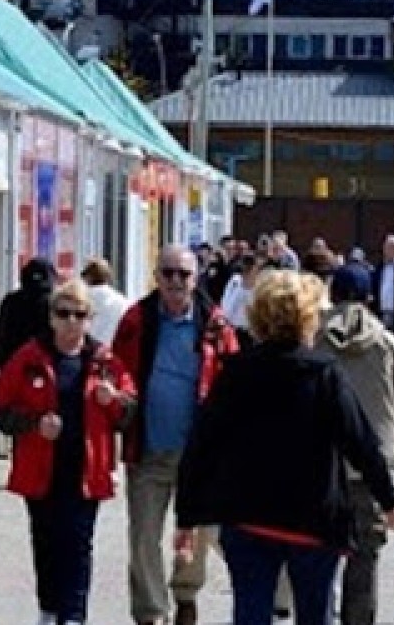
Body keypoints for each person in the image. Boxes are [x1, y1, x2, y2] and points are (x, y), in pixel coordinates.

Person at [174, 270, 394, 625]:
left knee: (250, 613)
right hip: (313, 520)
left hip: (248, 517)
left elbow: (202, 444)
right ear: (307, 318)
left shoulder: (237, 373)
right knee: (316, 615)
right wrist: (390, 500)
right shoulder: (324, 374)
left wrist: (187, 515)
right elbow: (360, 441)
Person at [0, 279, 138, 625]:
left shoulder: (103, 360)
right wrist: (34, 423)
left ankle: (73, 616)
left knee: (78, 544)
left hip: (86, 472)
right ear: (52, 317)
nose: (72, 321)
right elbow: (1, 411)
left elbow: (129, 410)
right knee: (45, 543)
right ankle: (49, 609)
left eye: (80, 314)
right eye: (64, 313)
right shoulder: (29, 357)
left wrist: (114, 401)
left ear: (90, 319)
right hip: (42, 471)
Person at [112, 244, 240, 625]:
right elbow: (116, 368)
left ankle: (185, 597)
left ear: (195, 277)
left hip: (196, 453)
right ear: (156, 277)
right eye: (167, 273)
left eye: (183, 274)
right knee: (143, 537)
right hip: (148, 448)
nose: (175, 282)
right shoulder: (136, 319)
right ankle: (151, 612)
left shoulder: (215, 324)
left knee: (197, 536)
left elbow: (232, 380)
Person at [316, 265, 394, 625]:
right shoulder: (387, 343)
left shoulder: (313, 338)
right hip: (374, 468)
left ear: (332, 294)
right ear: (369, 298)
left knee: (319, 556)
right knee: (364, 559)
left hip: (321, 464)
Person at [0, 258, 59, 371]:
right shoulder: (53, 302)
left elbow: (0, 331)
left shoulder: (11, 301)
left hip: (13, 363)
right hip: (43, 366)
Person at [81, 257, 131, 346]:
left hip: (89, 353)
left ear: (89, 277)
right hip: (115, 353)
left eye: (83, 274)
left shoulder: (81, 300)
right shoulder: (124, 302)